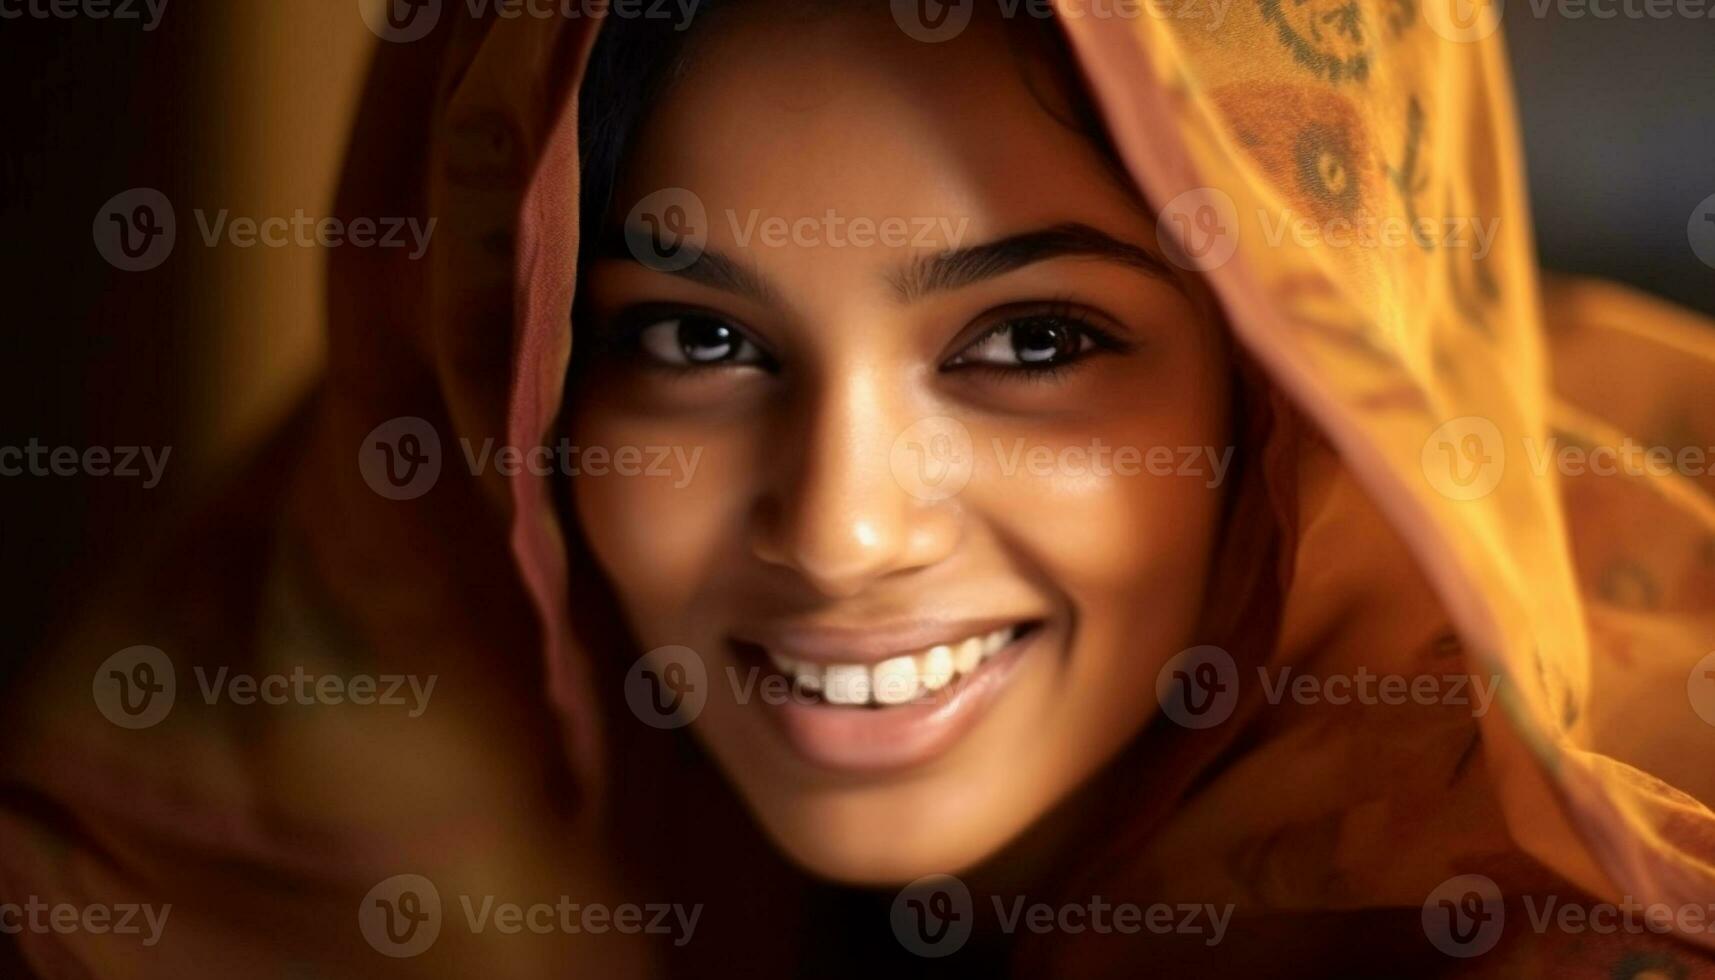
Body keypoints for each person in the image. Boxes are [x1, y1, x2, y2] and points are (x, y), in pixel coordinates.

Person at [5, 1, 1714, 975]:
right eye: (691, 338)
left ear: (1301, 400)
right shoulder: (259, 838)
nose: (842, 528)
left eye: (1034, 341)